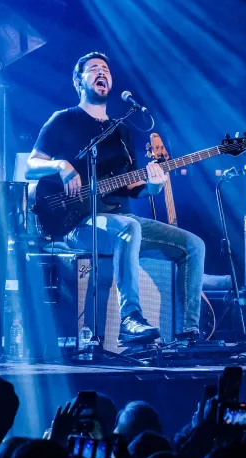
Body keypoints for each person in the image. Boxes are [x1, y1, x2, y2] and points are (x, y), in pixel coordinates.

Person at [25, 51, 206, 343]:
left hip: (118, 221)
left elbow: (133, 187)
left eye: (106, 69)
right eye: (93, 69)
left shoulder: (121, 131)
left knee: (193, 245)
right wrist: (60, 165)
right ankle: (130, 318)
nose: (102, 73)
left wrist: (154, 187)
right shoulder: (63, 120)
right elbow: (31, 167)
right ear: (77, 81)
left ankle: (188, 332)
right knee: (128, 226)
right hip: (74, 223)